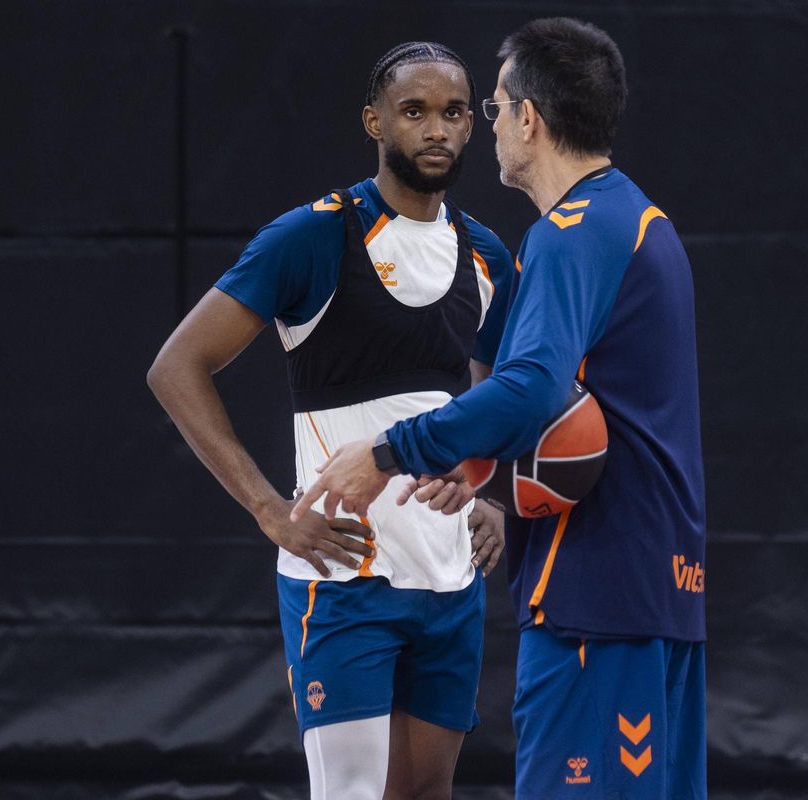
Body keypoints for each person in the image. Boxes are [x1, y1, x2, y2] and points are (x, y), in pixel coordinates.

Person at [293, 18, 707, 800]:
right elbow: (581, 417)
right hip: (661, 591)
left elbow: (531, 391)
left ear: (529, 118)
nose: (486, 128)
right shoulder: (641, 220)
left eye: (490, 108)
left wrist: (389, 450)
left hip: (596, 597)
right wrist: (477, 463)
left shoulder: (571, 233)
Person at [147, 41, 515, 800]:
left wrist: (487, 492)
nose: (436, 129)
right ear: (374, 120)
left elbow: (489, 404)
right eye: (414, 112)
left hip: (448, 577)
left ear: (472, 126)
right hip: (341, 577)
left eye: (452, 113)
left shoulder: (486, 256)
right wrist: (268, 510)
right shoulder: (314, 236)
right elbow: (175, 368)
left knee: (422, 795)